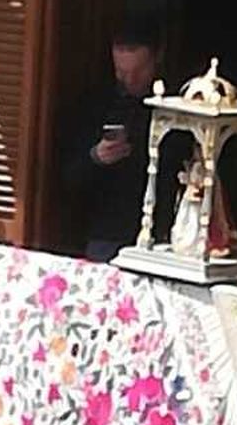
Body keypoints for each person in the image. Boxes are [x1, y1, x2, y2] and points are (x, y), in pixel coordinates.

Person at [62, 14, 171, 261]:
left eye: (139, 71)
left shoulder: (175, 107)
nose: (130, 80)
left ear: (158, 58)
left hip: (161, 237)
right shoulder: (95, 104)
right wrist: (95, 157)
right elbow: (67, 176)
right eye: (121, 72)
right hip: (106, 235)